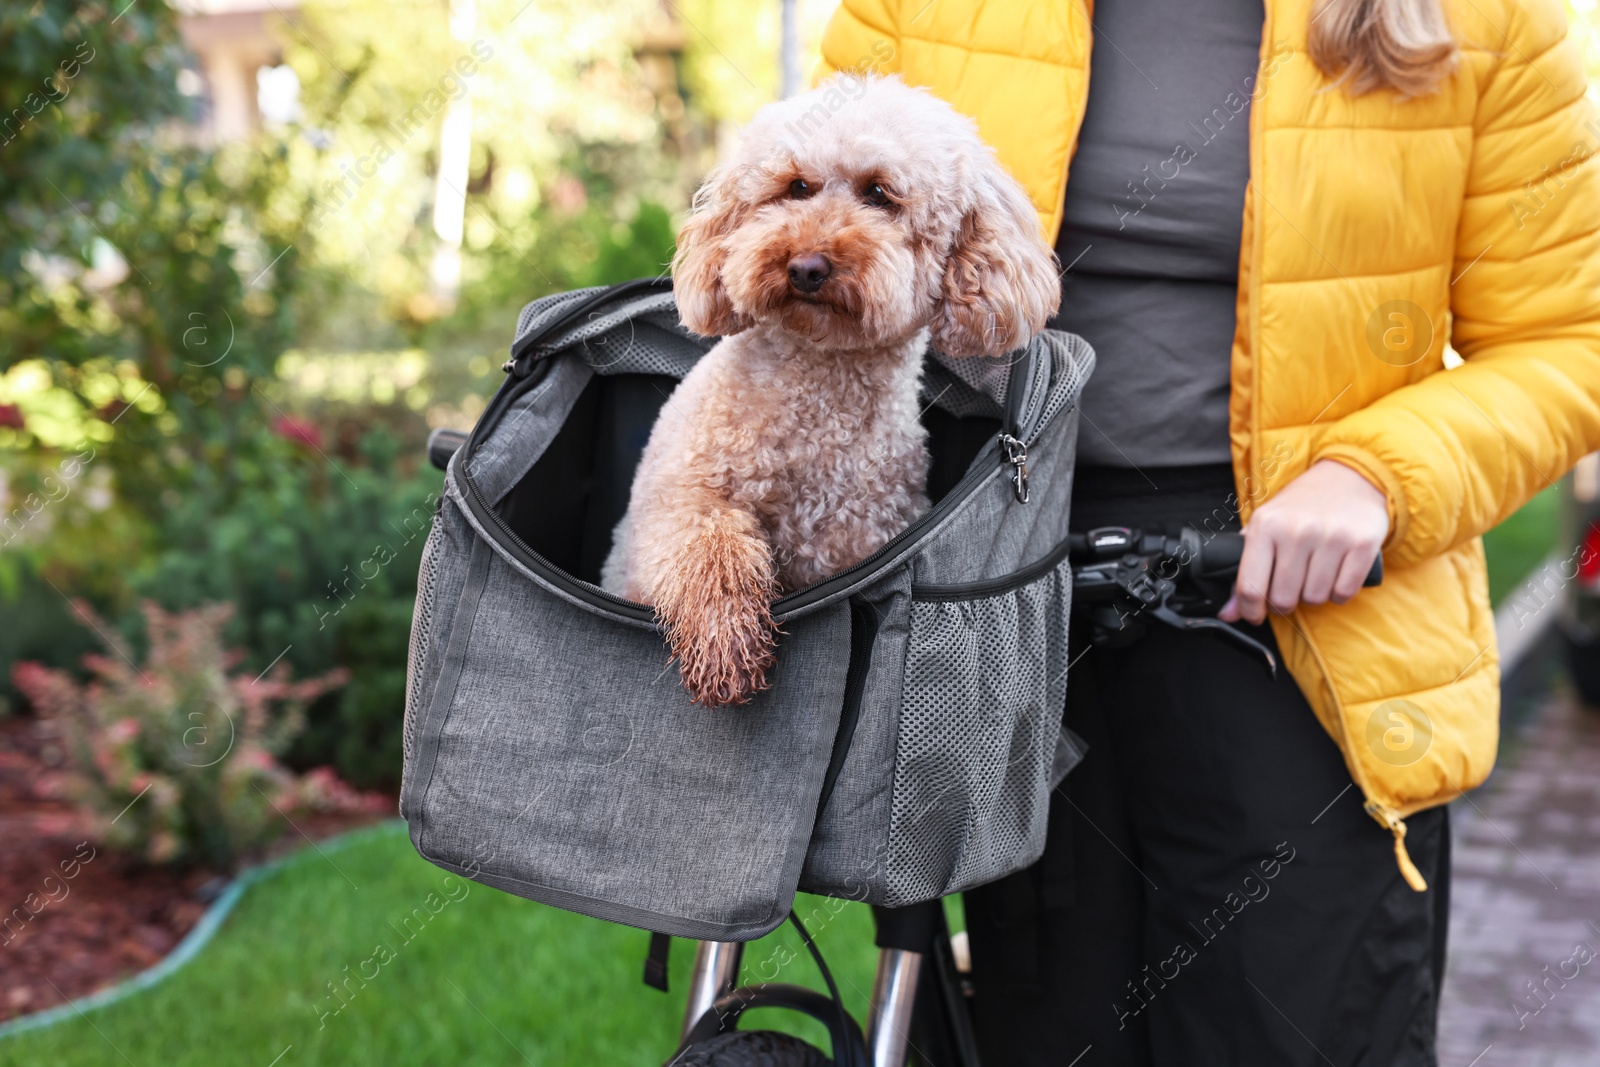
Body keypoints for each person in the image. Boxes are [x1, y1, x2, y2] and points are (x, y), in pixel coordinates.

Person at [819, 1, 1600, 1063]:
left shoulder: (1484, 18)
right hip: (1004, 608)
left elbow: (1564, 338)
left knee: (1291, 1020)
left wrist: (1377, 476)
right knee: (1045, 1023)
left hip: (1306, 607)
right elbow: (807, 241)